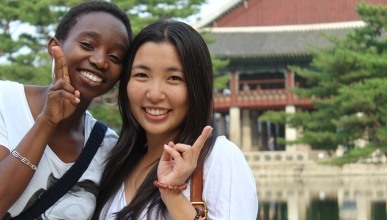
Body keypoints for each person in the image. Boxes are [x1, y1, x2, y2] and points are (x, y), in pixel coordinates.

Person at [93, 19, 258, 220]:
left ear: (197, 88)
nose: (154, 94)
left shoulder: (219, 157)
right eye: (142, 75)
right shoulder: (118, 159)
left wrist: (173, 194)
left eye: (174, 78)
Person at [0, 1, 132, 219]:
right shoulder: (5, 100)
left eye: (115, 57)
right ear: (55, 47)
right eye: (88, 45)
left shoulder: (108, 147)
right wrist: (47, 121)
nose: (100, 61)